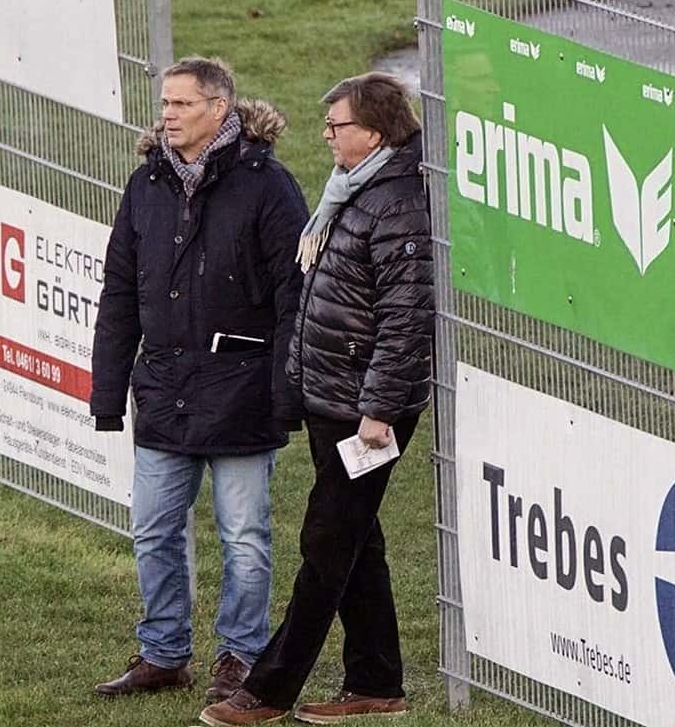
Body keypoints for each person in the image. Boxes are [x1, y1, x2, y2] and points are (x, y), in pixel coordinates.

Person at [200, 72, 435, 726]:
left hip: (370, 410)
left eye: (338, 125)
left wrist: (378, 412)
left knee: (327, 542)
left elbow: (405, 321)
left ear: (377, 133)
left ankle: (269, 690)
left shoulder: (397, 205)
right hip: (336, 398)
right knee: (357, 539)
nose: (326, 134)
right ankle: (377, 682)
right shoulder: (353, 188)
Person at [90, 56, 307, 703]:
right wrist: (107, 394)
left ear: (219, 108)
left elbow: (294, 296)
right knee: (153, 528)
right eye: (165, 103)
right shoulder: (145, 184)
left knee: (244, 536)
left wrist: (285, 392)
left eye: (182, 104)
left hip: (243, 393)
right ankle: (163, 653)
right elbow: (120, 292)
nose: (168, 115)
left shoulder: (269, 186)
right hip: (163, 391)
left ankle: (240, 656)